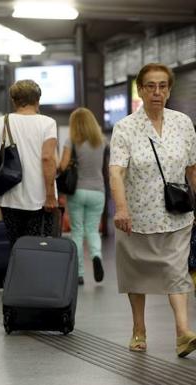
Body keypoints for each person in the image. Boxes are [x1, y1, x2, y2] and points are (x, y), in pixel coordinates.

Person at [110, 63, 196, 357]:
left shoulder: (183, 123)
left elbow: (193, 168)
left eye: (162, 86)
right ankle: (138, 329)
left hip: (177, 215)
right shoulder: (125, 128)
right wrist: (121, 208)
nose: (157, 92)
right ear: (141, 90)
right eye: (150, 86)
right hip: (136, 218)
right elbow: (116, 172)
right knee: (136, 274)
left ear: (170, 90)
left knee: (177, 271)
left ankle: (183, 332)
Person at [0, 79, 58, 244]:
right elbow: (47, 158)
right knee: (37, 248)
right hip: (40, 199)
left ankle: (17, 270)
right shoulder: (48, 123)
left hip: (9, 197)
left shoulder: (2, 122)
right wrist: (51, 195)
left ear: (14, 101)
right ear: (37, 100)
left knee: (16, 246)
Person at [58, 107, 107, 285]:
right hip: (98, 190)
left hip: (77, 190)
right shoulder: (101, 141)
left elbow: (62, 166)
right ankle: (96, 256)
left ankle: (78, 273)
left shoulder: (71, 140)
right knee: (92, 230)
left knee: (77, 231)